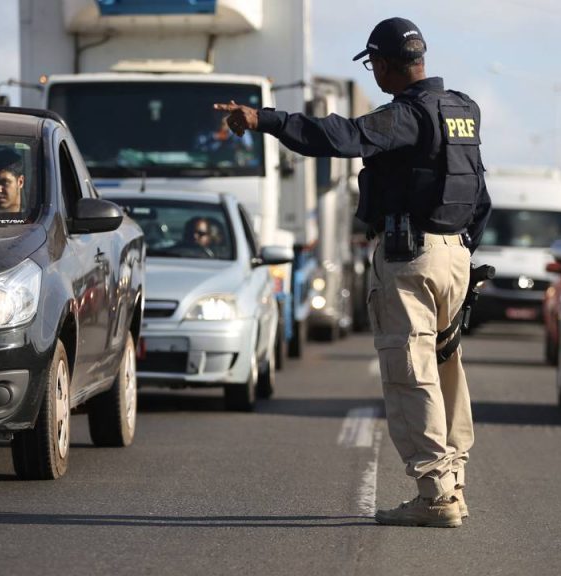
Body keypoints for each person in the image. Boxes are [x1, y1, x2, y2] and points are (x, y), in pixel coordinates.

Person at [215, 17, 491, 528]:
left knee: (411, 373)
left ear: (384, 64)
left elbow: (339, 137)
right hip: (456, 255)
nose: (375, 77)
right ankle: (454, 482)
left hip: (412, 258)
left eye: (374, 67)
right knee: (447, 369)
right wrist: (462, 249)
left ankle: (436, 495)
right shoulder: (461, 110)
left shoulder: (407, 114)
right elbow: (479, 191)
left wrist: (264, 120)